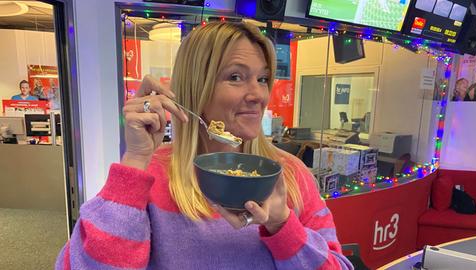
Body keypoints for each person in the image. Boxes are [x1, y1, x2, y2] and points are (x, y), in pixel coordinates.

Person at [55, 22, 353, 269]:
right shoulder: (150, 176)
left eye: (262, 79)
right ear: (197, 86)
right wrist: (135, 159)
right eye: (235, 77)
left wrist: (283, 227)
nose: (257, 95)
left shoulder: (291, 175)